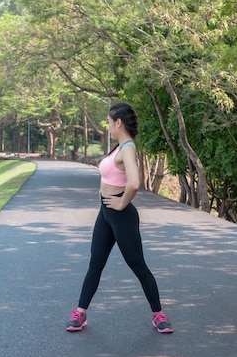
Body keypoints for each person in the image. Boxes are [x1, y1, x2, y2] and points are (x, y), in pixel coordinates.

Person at [66, 102, 173, 334]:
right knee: (95, 263)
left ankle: (159, 315)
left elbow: (134, 183)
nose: (107, 126)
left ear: (118, 122)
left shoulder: (127, 148)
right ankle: (80, 312)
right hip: (105, 213)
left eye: (108, 121)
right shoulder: (119, 147)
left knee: (138, 265)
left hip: (121, 215)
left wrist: (122, 202)